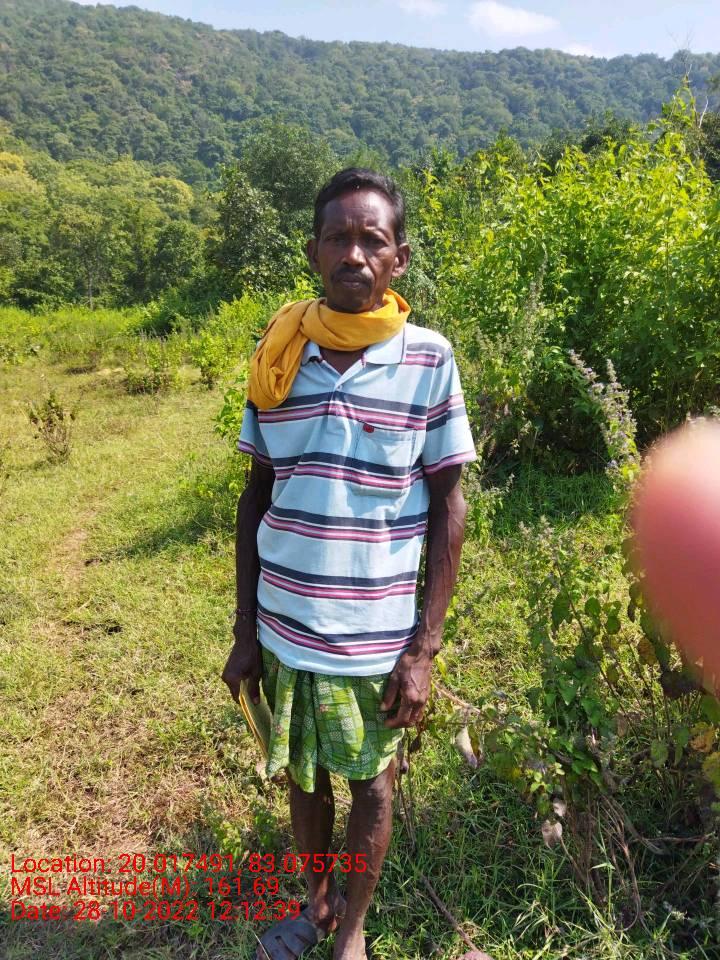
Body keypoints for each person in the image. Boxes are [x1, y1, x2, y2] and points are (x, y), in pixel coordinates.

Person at [221, 168, 476, 960]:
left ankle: (352, 934)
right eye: (338, 237)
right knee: (303, 777)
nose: (354, 254)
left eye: (373, 240)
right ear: (314, 251)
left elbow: (449, 506)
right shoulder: (278, 357)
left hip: (374, 638)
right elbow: (256, 496)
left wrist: (423, 649)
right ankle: (318, 905)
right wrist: (245, 632)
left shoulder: (428, 360)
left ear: (399, 258)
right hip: (285, 629)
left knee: (373, 783)